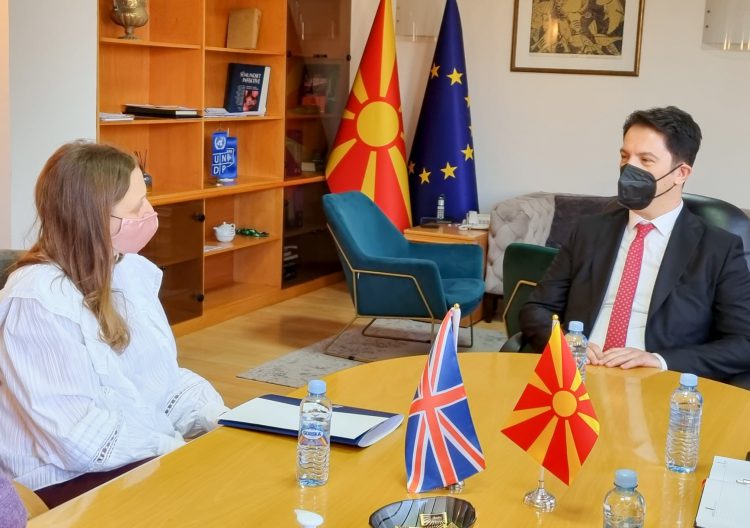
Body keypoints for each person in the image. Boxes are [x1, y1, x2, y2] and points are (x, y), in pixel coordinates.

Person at [0, 141, 229, 508]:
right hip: (64, 481)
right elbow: (78, 438)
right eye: (136, 207)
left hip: (128, 457)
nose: (150, 213)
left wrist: (222, 419)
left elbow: (162, 379)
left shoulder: (127, 270)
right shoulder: (37, 299)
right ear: (91, 217)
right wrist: (171, 448)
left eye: (146, 199)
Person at [520, 106, 750, 387]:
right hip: (577, 377)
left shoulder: (718, 248)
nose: (629, 169)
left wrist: (660, 360)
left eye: (646, 160)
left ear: (681, 173)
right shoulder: (589, 231)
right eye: (625, 156)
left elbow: (744, 342)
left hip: (657, 384)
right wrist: (564, 341)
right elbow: (537, 308)